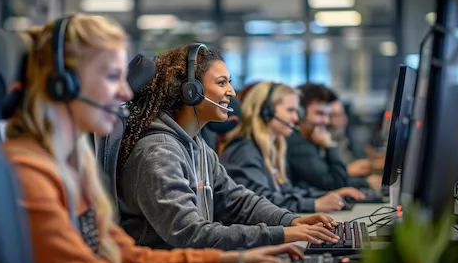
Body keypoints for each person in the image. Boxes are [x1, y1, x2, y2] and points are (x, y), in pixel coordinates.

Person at [1, 15, 309, 263]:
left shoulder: (71, 167)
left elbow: (128, 257)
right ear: (63, 84)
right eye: (112, 76)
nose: (124, 91)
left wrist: (236, 260)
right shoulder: (28, 175)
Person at [118, 44, 340, 251]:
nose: (232, 92)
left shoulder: (198, 146)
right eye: (222, 82)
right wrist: (282, 234)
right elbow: (190, 234)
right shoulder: (159, 153)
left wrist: (290, 220)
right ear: (190, 90)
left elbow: (237, 201)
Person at [221, 82, 365, 213]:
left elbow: (285, 192)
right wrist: (314, 204)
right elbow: (262, 202)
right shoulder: (244, 150)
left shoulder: (271, 149)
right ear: (266, 111)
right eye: (290, 110)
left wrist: (326, 196)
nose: (296, 118)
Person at [285, 83, 381, 191]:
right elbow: (335, 183)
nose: (326, 121)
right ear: (300, 112)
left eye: (327, 115)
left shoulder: (309, 139)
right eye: (319, 113)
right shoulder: (297, 142)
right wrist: (330, 145)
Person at [329, 99, 385, 176]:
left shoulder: (341, 140)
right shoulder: (327, 144)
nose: (344, 120)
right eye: (337, 115)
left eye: (343, 114)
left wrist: (372, 163)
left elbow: (350, 164)